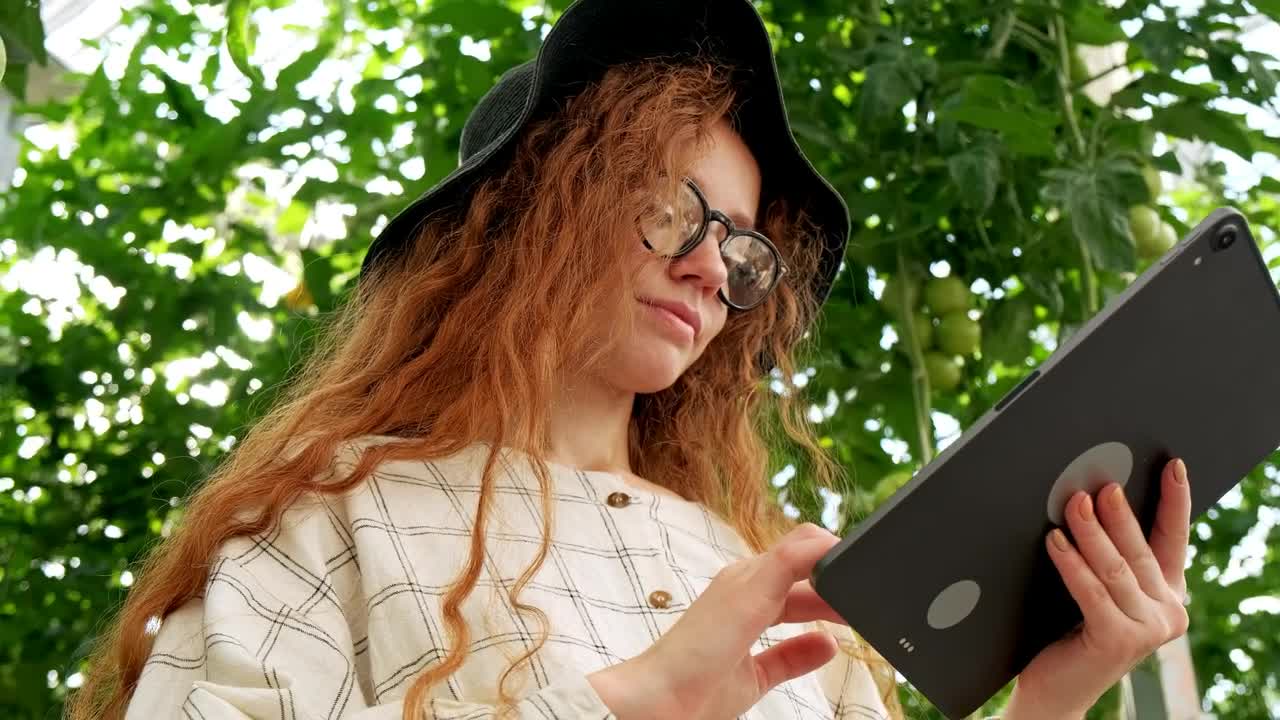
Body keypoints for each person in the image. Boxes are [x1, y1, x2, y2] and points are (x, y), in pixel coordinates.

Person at [69, 1, 1194, 719]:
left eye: (743, 246)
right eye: (669, 210)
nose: (715, 271)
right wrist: (624, 704)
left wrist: (1055, 692)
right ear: (521, 223)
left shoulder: (768, 582)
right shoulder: (331, 519)